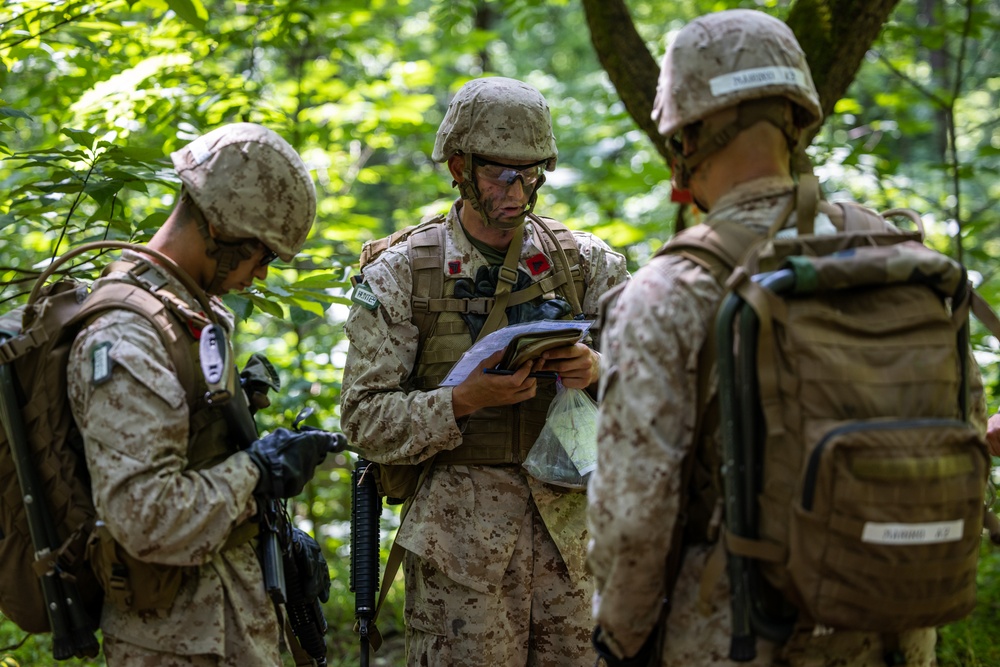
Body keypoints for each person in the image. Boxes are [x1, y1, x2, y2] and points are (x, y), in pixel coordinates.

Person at [587, 9, 950, 667]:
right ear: (796, 115)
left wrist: (617, 641)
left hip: (740, 635)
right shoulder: (888, 249)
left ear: (687, 134)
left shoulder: (672, 289)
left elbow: (634, 520)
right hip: (898, 627)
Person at [341, 76, 628, 665]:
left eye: (532, 174)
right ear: (458, 166)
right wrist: (461, 401)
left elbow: (665, 393)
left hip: (574, 548)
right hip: (459, 558)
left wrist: (599, 370)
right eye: (502, 173)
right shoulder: (401, 275)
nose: (518, 190)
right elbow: (363, 420)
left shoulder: (587, 264)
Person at [66, 122, 340, 666]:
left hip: (225, 621)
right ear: (220, 227)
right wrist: (257, 471)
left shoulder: (186, 312)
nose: (259, 275)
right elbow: (144, 517)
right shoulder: (126, 337)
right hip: (172, 641)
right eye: (260, 255)